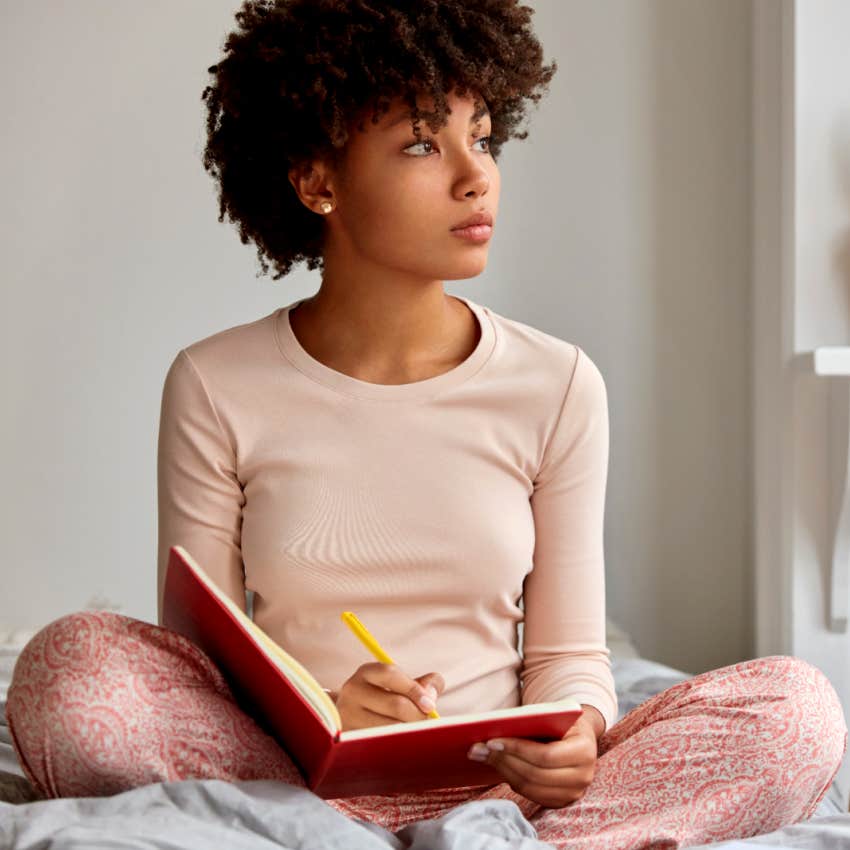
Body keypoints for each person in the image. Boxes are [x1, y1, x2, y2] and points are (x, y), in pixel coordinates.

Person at [7, 1, 847, 848]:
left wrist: (582, 733)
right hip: (293, 776)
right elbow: (204, 667)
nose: (474, 174)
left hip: (507, 790)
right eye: (421, 143)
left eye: (481, 137)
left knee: (798, 711)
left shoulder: (557, 384)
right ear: (316, 182)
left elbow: (568, 657)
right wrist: (325, 711)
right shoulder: (214, 383)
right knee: (68, 671)